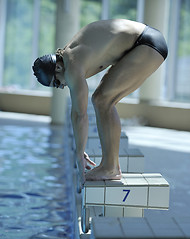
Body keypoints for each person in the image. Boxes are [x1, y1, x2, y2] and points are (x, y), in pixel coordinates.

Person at [32, 19, 168, 181]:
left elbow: (79, 114)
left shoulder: (72, 64)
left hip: (145, 44)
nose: (61, 87)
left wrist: (79, 155)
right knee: (101, 99)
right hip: (145, 41)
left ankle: (111, 168)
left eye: (56, 82)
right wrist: (80, 151)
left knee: (103, 100)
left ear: (58, 67)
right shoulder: (70, 53)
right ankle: (111, 166)